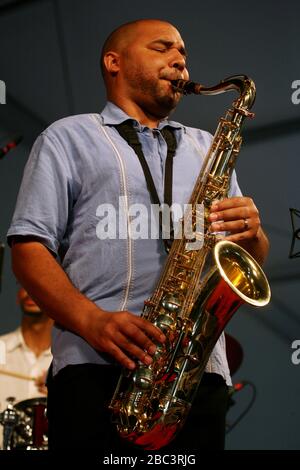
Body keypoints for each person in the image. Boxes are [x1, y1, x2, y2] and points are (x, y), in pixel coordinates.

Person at [7, 19, 269, 452]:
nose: (180, 61)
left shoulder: (208, 147)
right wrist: (92, 321)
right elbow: (28, 248)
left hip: (196, 378)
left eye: (183, 53)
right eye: (163, 48)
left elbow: (250, 256)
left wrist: (253, 233)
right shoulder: (68, 137)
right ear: (114, 62)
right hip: (95, 370)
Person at [0, 287, 53, 448]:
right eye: (24, 284)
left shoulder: (67, 361)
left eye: (38, 284)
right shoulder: (0, 349)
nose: (30, 291)